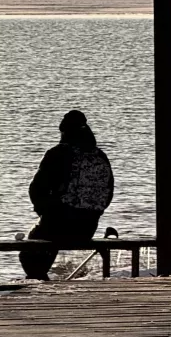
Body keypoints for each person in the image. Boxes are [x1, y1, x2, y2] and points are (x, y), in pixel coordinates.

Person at [20, 109, 115, 280]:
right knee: (45, 243)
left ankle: (38, 284)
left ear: (64, 131)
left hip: (57, 224)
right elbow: (108, 194)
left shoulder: (58, 153)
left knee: (29, 252)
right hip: (87, 228)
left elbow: (36, 188)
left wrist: (43, 211)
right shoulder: (100, 156)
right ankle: (41, 279)